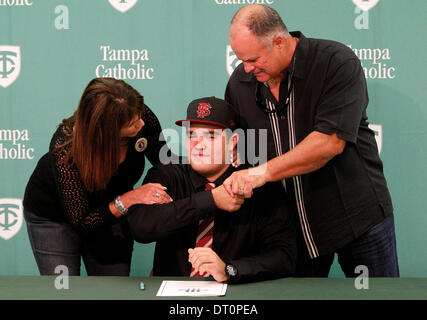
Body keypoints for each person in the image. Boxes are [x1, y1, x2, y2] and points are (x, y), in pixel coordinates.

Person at [223, 5, 399, 277]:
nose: (246, 68)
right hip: (291, 230)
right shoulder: (240, 82)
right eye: (241, 59)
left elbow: (329, 143)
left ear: (279, 41)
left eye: (253, 59)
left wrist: (261, 173)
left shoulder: (335, 62)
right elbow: (242, 142)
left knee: (378, 296)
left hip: (357, 219)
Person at [127, 97, 296, 283]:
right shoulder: (167, 174)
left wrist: (229, 269)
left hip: (235, 298)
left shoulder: (257, 183)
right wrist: (211, 200)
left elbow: (284, 256)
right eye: (192, 134)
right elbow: (140, 227)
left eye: (211, 136)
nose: (198, 144)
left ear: (233, 142)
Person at [23, 78, 173, 276]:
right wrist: (129, 199)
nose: (141, 123)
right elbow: (82, 222)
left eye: (139, 116)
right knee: (63, 291)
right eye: (132, 123)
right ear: (106, 130)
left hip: (111, 212)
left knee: (113, 289)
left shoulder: (135, 112)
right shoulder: (66, 150)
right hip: (55, 219)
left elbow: (166, 161)